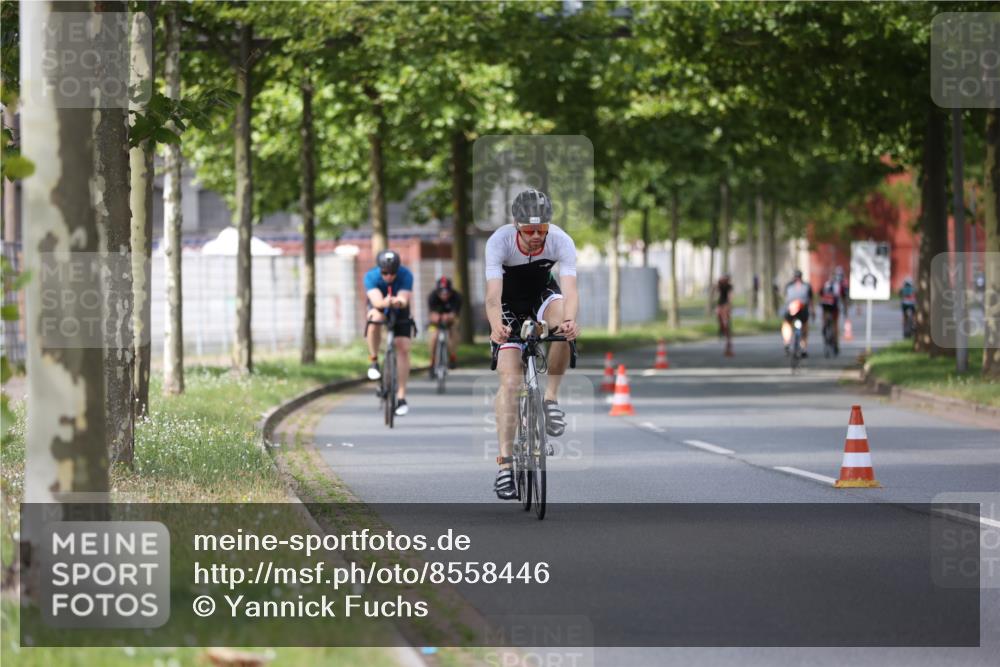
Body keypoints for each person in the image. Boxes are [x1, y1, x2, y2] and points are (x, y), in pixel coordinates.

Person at [485, 189, 579, 500]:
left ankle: (550, 400)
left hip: (541, 295)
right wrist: (497, 326)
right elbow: (492, 297)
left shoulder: (560, 240)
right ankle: (504, 466)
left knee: (563, 324)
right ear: (516, 226)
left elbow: (569, 290)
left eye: (542, 229)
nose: (537, 236)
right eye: (529, 231)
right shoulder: (498, 242)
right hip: (508, 304)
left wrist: (570, 320)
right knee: (511, 382)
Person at [364, 249, 414, 417]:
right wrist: (384, 302)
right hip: (379, 307)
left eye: (393, 273)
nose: (389, 277)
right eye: (385, 273)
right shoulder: (371, 277)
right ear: (379, 270)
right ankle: (374, 360)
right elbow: (376, 301)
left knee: (403, 347)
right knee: (374, 321)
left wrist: (398, 302)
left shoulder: (406, 275)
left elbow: (404, 298)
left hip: (399, 309)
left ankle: (401, 397)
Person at [427, 276, 462, 375]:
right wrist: (436, 317)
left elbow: (455, 314)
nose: (444, 295)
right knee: (433, 337)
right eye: (441, 292)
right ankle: (433, 360)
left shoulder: (457, 297)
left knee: (453, 334)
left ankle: (452, 356)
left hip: (450, 321)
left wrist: (449, 317)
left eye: (447, 292)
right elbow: (431, 314)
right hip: (436, 322)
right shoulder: (432, 297)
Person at [781, 269, 813, 356]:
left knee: (787, 324)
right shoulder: (807, 286)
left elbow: (786, 299)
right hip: (803, 309)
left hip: (791, 309)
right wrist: (813, 312)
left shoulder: (788, 286)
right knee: (805, 326)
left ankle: (787, 342)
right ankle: (804, 348)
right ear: (801, 277)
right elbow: (810, 301)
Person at [818, 274, 841, 354]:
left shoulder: (826, 284)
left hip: (825, 306)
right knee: (835, 324)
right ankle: (836, 343)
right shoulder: (837, 285)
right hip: (834, 306)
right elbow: (839, 296)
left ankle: (824, 327)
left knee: (825, 318)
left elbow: (820, 293)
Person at [714, 274, 734, 352]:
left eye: (725, 279)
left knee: (725, 321)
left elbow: (730, 295)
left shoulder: (729, 286)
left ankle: (727, 335)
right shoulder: (719, 284)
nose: (724, 281)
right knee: (718, 315)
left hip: (726, 304)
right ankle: (721, 328)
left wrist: (729, 304)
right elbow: (715, 290)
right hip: (720, 304)